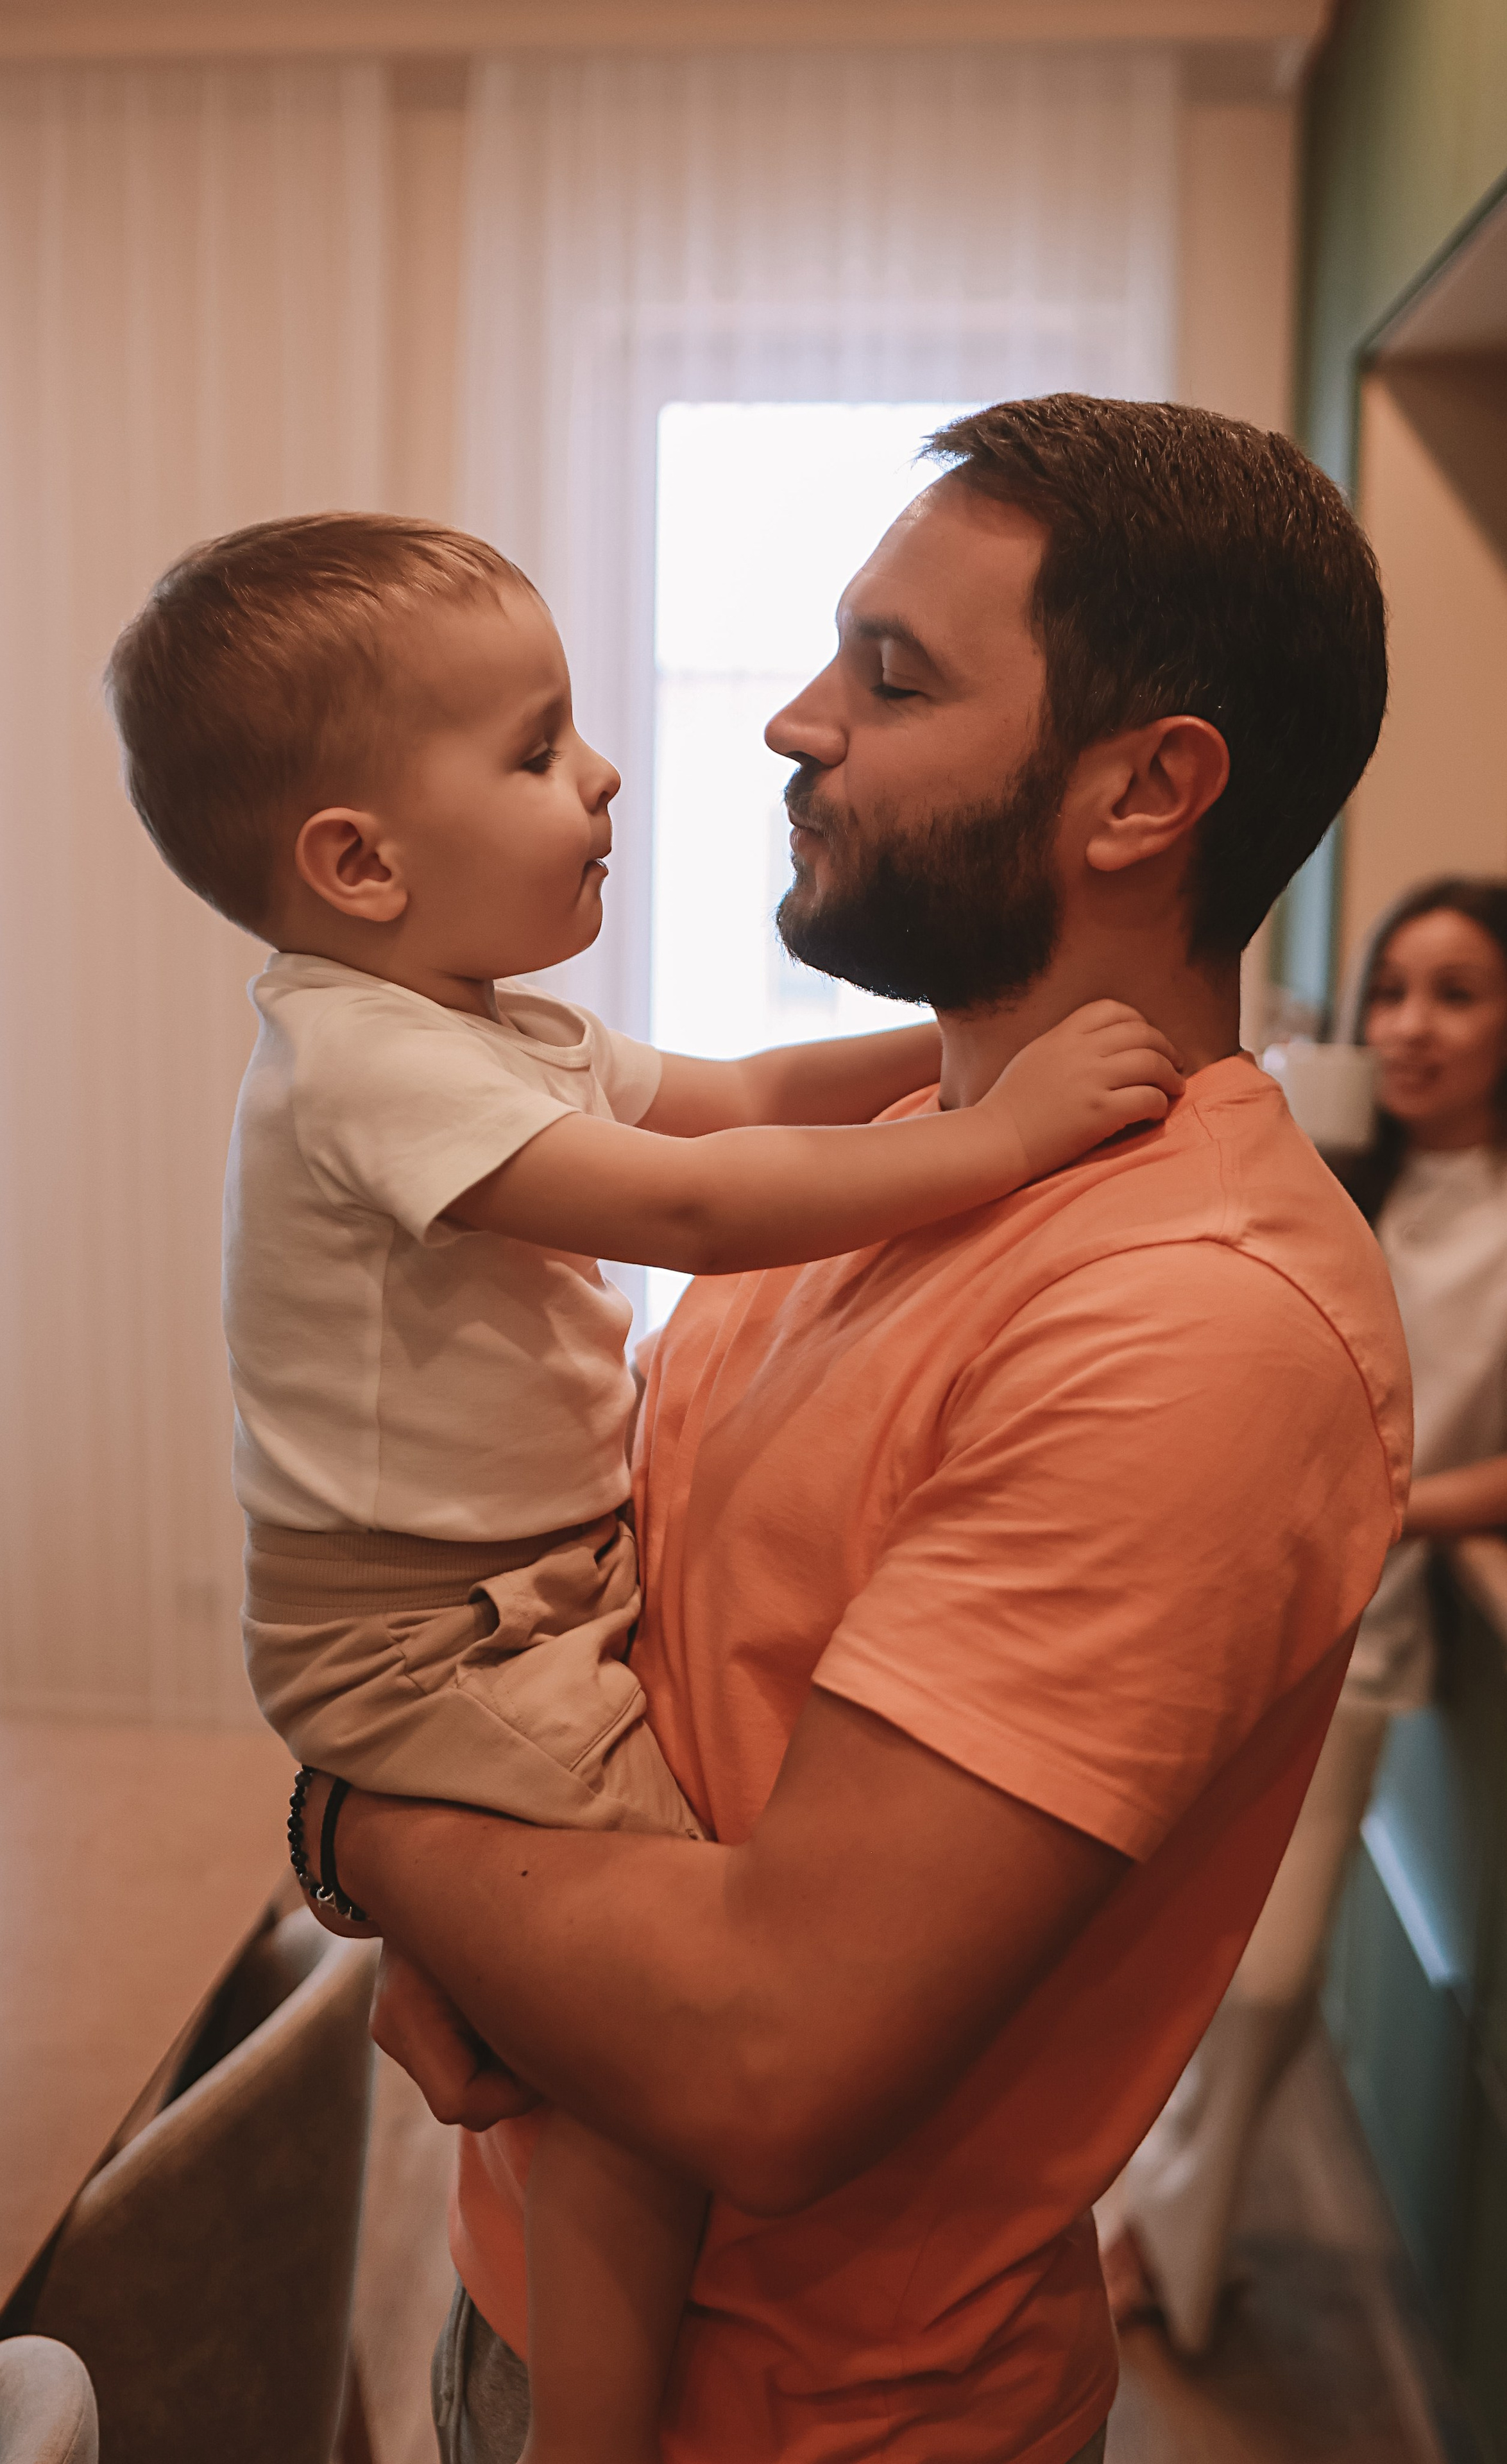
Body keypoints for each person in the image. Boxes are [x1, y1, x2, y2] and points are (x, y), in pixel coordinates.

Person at [292, 393, 1411, 2464]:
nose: (797, 721)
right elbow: (636, 1671)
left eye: (891, 679)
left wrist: (351, 1833)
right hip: (533, 2294)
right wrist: (476, 1920)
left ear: (1148, 793)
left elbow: (766, 2056)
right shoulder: (904, 1158)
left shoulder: (1192, 1329)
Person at [105, 513, 1184, 2464]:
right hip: (429, 1632)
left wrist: (959, 1076)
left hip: (500, 1607)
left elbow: (754, 1102)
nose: (601, 774)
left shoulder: (486, 1025)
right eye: (535, 751)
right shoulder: (361, 1060)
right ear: (356, 861)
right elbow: (693, 1204)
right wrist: (1007, 1135)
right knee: (637, 2064)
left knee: (566, 1998)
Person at [1102, 873, 1507, 2354]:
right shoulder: (1337, 1171)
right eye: (1388, 991)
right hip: (1218, 1609)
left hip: (1360, 1631)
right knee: (1161, 1957)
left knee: (1264, 1983)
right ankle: (1130, 2248)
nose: (1405, 1026)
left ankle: (1149, 2255)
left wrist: (1389, 1507)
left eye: (1453, 994)